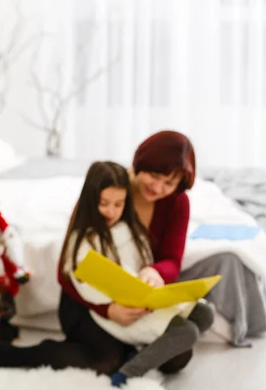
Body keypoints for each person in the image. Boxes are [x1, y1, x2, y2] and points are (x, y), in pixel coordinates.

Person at [59, 131, 214, 381]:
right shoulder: (110, 189)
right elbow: (67, 270)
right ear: (140, 164)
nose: (159, 188)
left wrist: (155, 272)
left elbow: (172, 261)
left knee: (178, 356)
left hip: (136, 294)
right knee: (106, 359)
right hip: (89, 300)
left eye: (169, 183)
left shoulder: (176, 203)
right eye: (154, 176)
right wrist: (107, 309)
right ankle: (126, 365)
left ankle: (133, 351)